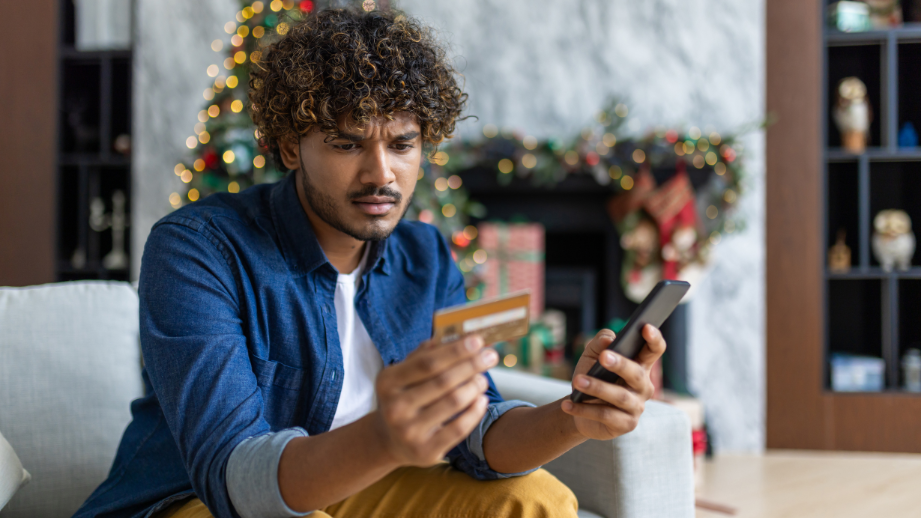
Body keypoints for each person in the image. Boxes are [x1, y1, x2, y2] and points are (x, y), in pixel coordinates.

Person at [73, 7, 666, 518]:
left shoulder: (425, 257)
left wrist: (575, 415)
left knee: (534, 499)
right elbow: (235, 480)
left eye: (402, 144)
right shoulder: (199, 248)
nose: (381, 173)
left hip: (360, 486)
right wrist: (387, 437)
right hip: (194, 502)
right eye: (346, 142)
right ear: (289, 146)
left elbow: (475, 431)